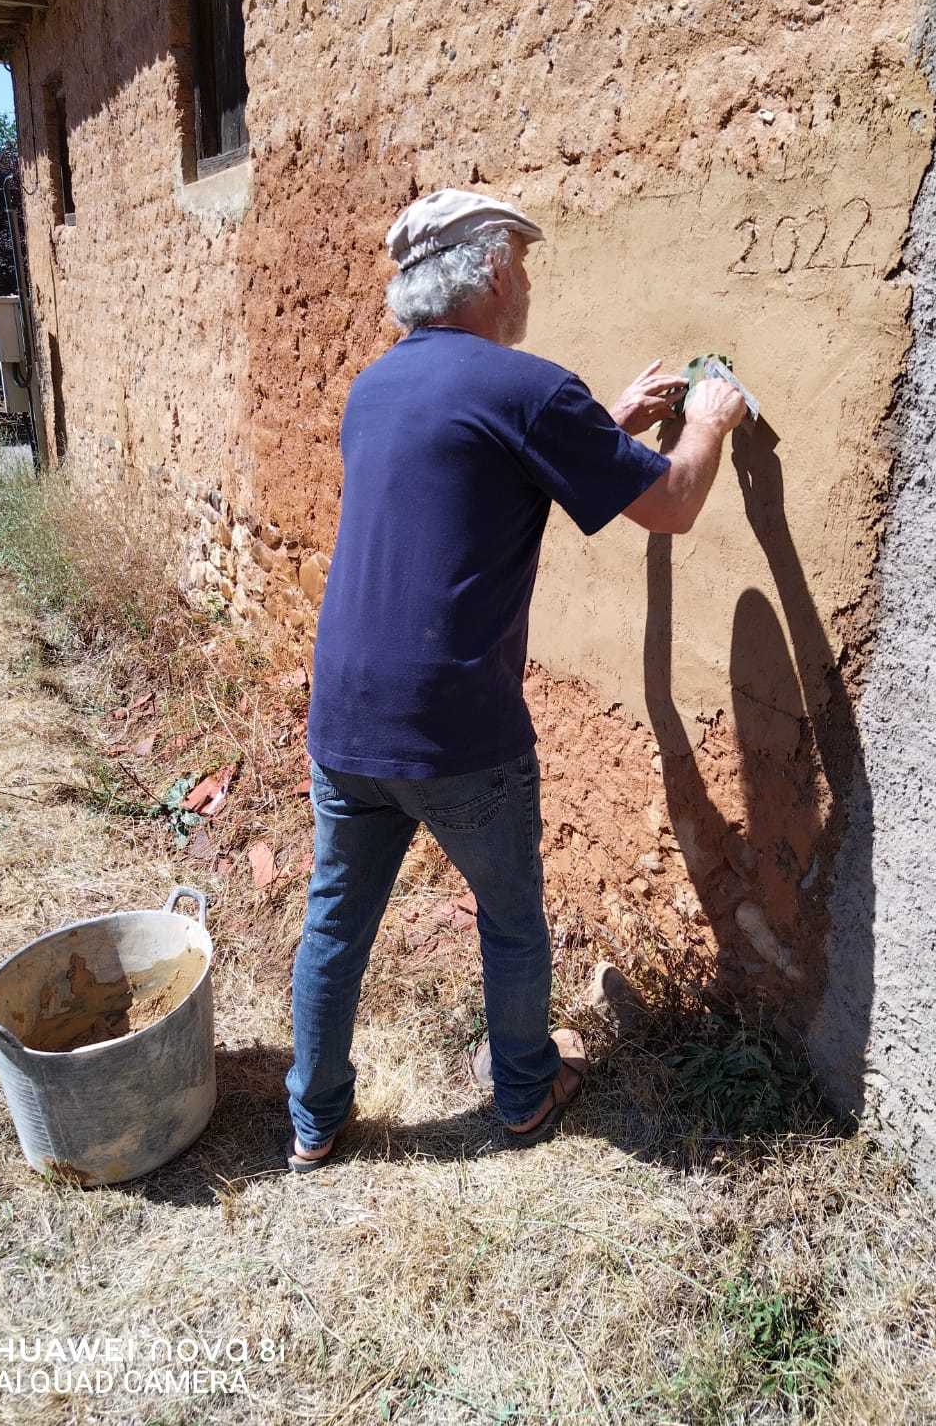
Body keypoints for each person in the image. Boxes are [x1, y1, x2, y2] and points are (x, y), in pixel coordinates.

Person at [285, 189, 746, 1170]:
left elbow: (482, 460)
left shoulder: (374, 389)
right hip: (457, 726)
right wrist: (707, 422)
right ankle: (527, 1091)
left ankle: (314, 1120)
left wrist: (604, 422)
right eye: (524, 269)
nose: (527, 288)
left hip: (345, 719)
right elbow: (669, 504)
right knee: (511, 916)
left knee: (335, 922)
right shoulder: (526, 388)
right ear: (493, 271)